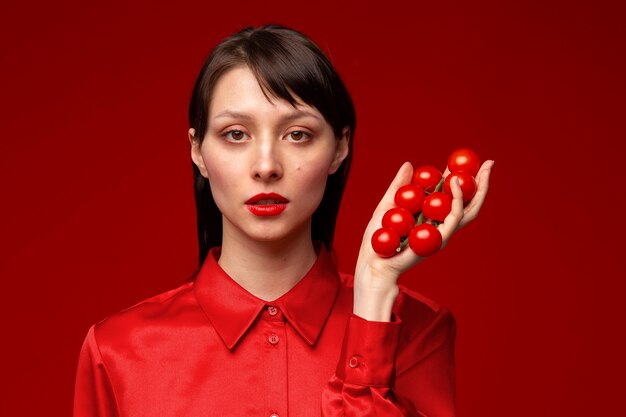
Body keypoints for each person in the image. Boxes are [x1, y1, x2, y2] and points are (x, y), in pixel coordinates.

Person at [73, 24, 493, 417]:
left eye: (297, 134)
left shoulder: (417, 331)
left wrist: (374, 297)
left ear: (340, 146)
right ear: (198, 150)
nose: (266, 165)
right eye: (236, 134)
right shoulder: (117, 351)